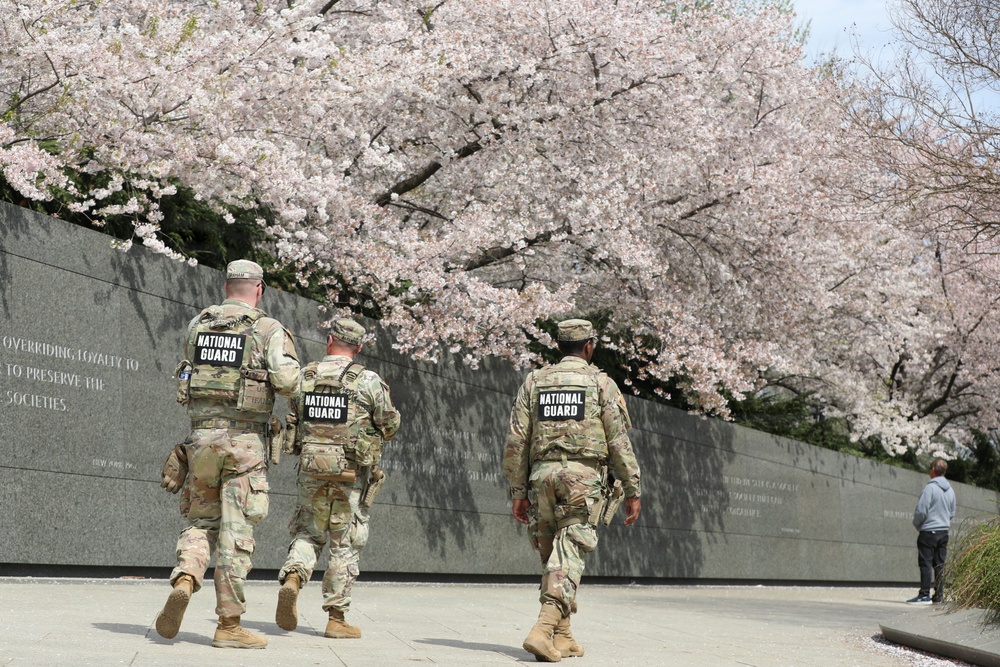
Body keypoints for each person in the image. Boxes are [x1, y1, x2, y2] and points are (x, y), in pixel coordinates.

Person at [156, 259, 300, 649]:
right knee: (236, 534)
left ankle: (186, 578)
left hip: (200, 441)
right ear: (259, 289)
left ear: (225, 288)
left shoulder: (198, 325)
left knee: (201, 522)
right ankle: (229, 625)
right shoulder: (268, 328)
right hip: (244, 445)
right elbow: (288, 382)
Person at [503, 318, 642, 663]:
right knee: (570, 555)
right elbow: (618, 440)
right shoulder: (600, 383)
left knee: (554, 558)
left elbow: (517, 439)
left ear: (558, 346)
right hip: (582, 478)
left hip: (541, 478)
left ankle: (562, 636)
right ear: (589, 346)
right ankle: (543, 629)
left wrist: (518, 491)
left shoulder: (534, 381)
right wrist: (632, 488)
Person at [274, 318, 401, 639]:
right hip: (350, 475)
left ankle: (293, 578)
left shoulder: (306, 376)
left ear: (329, 340)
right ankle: (336, 618)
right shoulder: (368, 380)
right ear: (359, 348)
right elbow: (389, 425)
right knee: (344, 542)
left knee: (308, 532)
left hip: (311, 470)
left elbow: (294, 417)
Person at [907, 458, 957, 605]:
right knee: (939, 564)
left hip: (929, 531)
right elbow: (952, 512)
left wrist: (917, 524)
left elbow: (921, 510)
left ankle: (924, 594)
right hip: (943, 532)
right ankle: (939, 595)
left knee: (925, 563)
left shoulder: (930, 488)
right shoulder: (950, 490)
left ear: (933, 470)